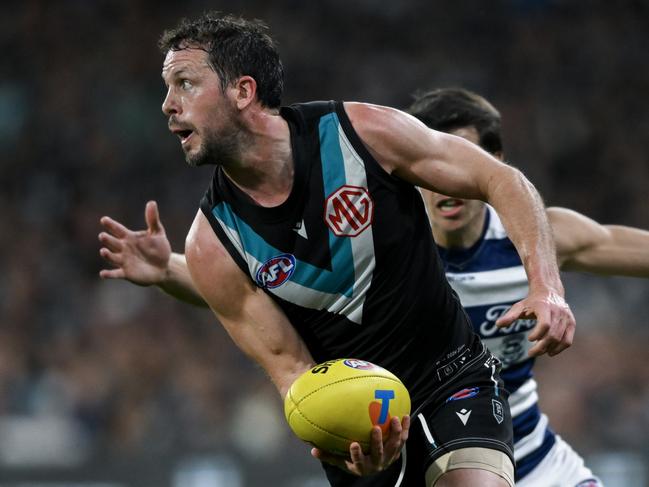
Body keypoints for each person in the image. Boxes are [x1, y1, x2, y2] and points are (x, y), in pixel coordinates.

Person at [98, 12, 577, 487]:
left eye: (184, 83)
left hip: (452, 377)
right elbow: (294, 374)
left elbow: (500, 179)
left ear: (243, 91)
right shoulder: (211, 245)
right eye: (168, 88)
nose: (167, 105)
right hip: (357, 430)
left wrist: (547, 288)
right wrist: (342, 443)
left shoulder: (363, 134)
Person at [406, 87, 649, 486]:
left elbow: (612, 243)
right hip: (438, 467)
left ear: (494, 165)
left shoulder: (537, 239)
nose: (447, 180)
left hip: (533, 456)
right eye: (434, 165)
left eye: (463, 160)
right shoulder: (386, 254)